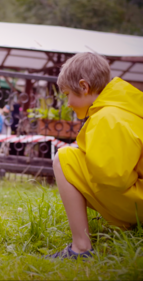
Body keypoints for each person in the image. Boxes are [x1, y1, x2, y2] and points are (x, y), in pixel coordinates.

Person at [49, 52, 143, 259]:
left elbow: (112, 178)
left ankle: (80, 247)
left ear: (84, 87)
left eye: (67, 95)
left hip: (139, 204)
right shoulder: (125, 108)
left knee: (64, 159)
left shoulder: (107, 117)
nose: (68, 103)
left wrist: (80, 178)